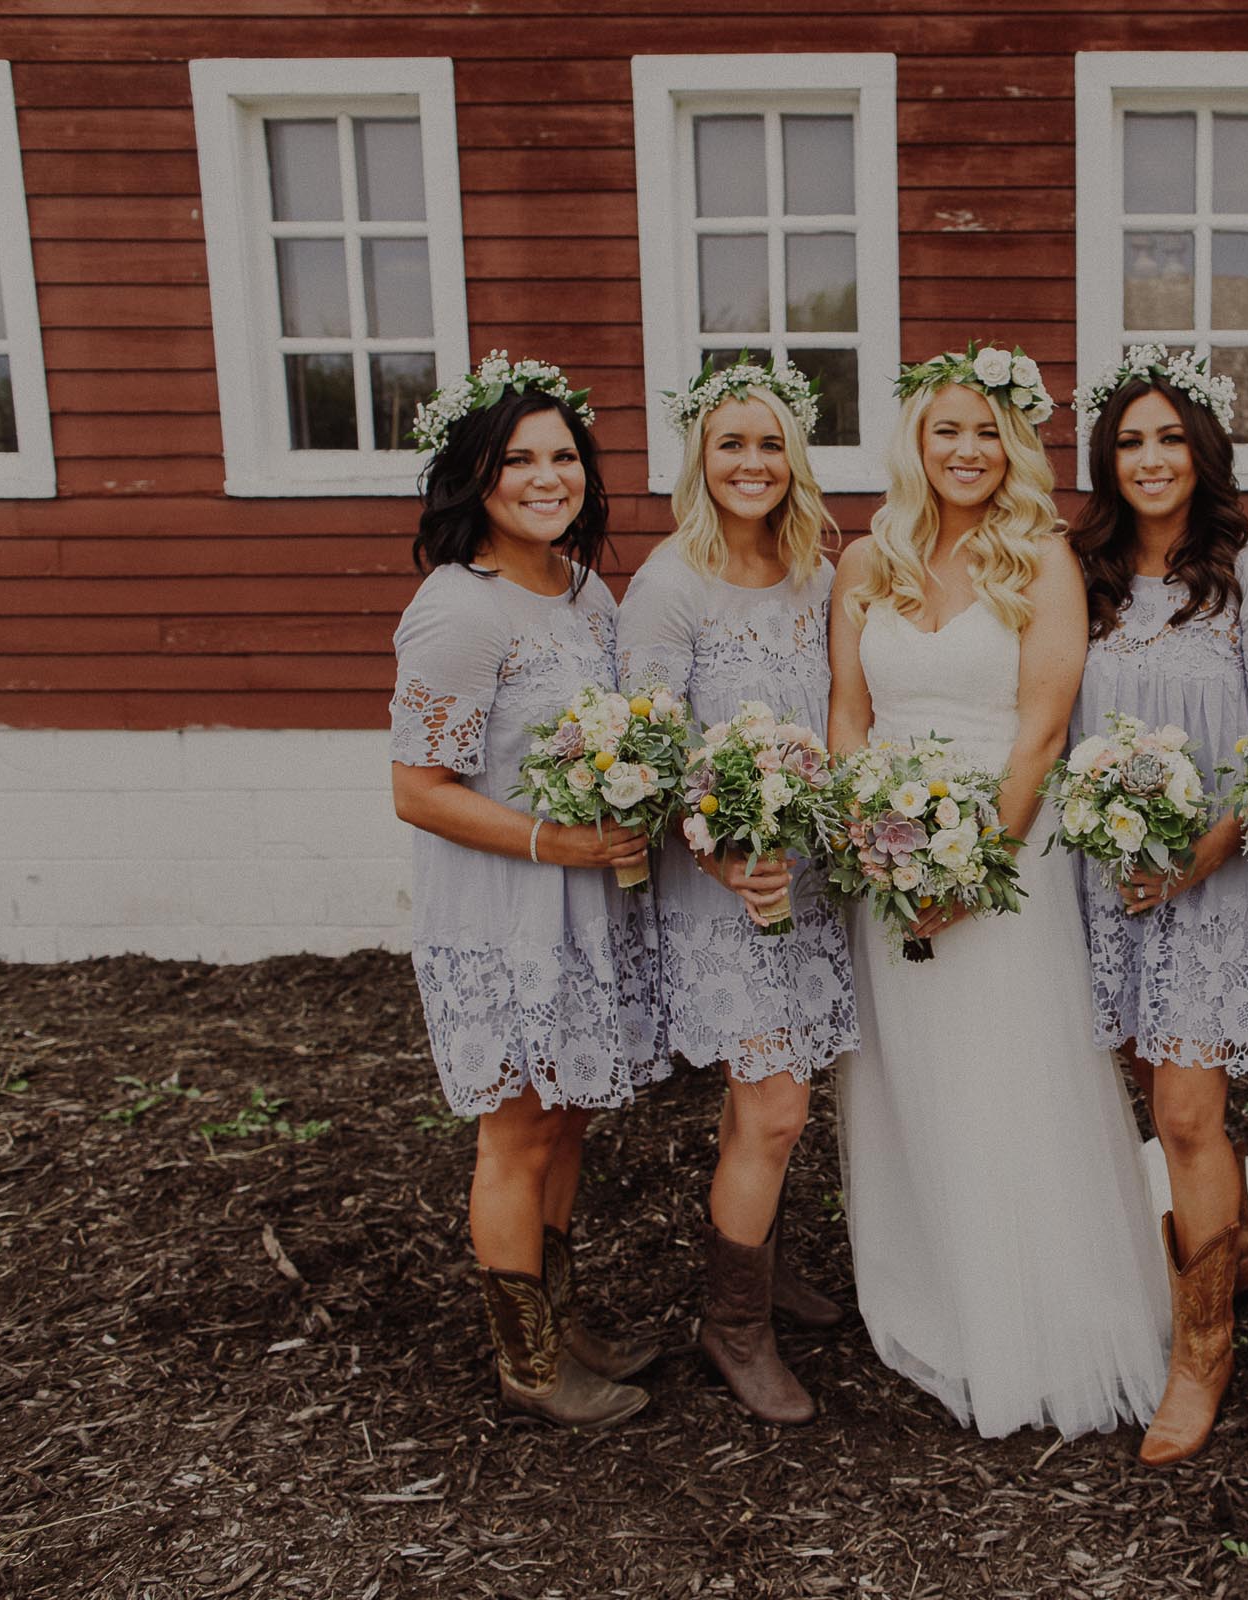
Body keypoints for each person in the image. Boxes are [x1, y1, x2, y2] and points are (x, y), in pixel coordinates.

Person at [829, 344, 1170, 1439]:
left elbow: (1041, 728)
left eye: (987, 431)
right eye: (946, 430)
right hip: (887, 853)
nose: (967, 450)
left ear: (1011, 443)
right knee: (911, 1073)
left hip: (1007, 854)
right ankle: (936, 1285)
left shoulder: (1043, 558)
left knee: (1010, 1066)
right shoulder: (865, 563)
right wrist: (871, 837)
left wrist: (973, 866)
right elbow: (848, 714)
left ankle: (1042, 1311)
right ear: (916, 444)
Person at [387, 354, 655, 1430]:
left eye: (562, 457)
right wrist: (556, 841)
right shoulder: (458, 610)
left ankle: (562, 1310)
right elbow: (416, 789)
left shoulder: (583, 590)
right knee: (516, 1128)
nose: (548, 478)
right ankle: (528, 1362)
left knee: (567, 1112)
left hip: (578, 903)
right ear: (475, 479)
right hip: (503, 913)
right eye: (519, 461)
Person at [1063, 347, 1248, 1464]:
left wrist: (1200, 860)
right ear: (1105, 461)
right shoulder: (1081, 572)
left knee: (1184, 1114)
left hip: (1219, 880)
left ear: (1203, 453)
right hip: (1107, 881)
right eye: (1130, 441)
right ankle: (1235, 1253)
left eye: (1171, 438)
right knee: (1148, 1086)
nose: (1151, 458)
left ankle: (1201, 1350)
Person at [619, 358, 856, 1425]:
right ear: (699, 458)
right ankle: (733, 1323)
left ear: (794, 456)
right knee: (774, 1099)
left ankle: (762, 1262)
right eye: (731, 444)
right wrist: (721, 855)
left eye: (769, 444)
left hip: (802, 879)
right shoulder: (672, 584)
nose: (751, 463)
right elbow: (646, 759)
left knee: (776, 1099)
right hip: (723, 884)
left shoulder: (819, 568)